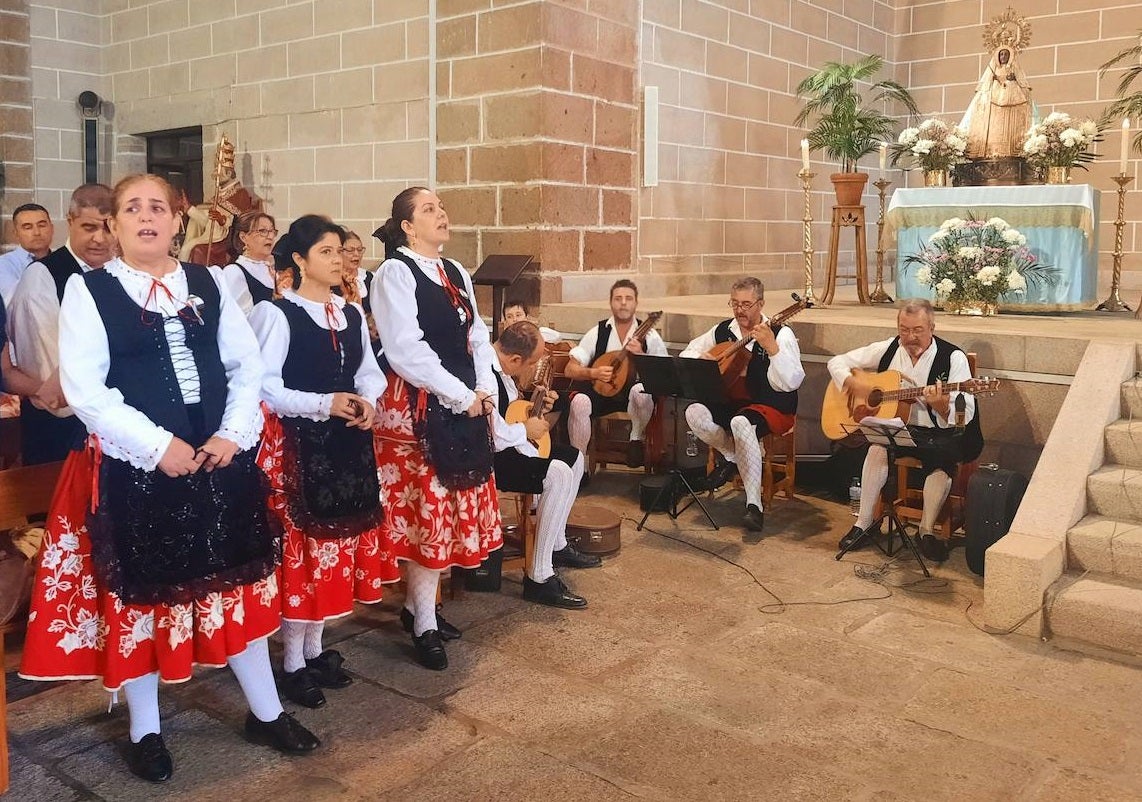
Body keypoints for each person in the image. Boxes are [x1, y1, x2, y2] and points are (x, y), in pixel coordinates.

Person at [19, 174, 319, 784]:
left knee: (234, 590)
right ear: (115, 224)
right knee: (146, 605)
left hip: (217, 465)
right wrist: (158, 447)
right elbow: (85, 388)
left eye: (158, 207)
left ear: (177, 221)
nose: (147, 217)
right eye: (133, 208)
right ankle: (145, 727)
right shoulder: (90, 290)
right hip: (141, 471)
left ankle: (265, 710)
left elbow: (245, 364)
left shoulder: (205, 283)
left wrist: (232, 434)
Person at [251, 214, 394, 710]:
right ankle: (291, 662)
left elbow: (368, 371)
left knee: (334, 549)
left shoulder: (350, 313)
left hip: (347, 443)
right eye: (328, 252)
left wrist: (368, 400)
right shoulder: (277, 314)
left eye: (341, 251)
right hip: (297, 448)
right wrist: (323, 402)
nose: (339, 260)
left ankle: (314, 650)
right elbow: (264, 386)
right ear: (299, 259)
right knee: (304, 556)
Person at [372, 187, 502, 671]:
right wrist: (460, 395)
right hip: (417, 410)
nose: (441, 214)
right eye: (429, 209)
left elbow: (478, 336)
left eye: (440, 207)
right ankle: (424, 621)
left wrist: (484, 388)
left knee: (446, 514)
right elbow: (406, 350)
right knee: (428, 518)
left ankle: (418, 610)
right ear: (407, 226)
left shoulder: (455, 270)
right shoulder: (394, 272)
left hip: (463, 401)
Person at [828, 299, 980, 562]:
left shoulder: (952, 357)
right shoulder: (888, 347)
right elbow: (836, 362)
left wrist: (941, 403)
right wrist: (854, 384)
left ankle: (926, 531)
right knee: (876, 446)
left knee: (942, 460)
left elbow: (963, 414)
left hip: (937, 434)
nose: (910, 337)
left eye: (918, 330)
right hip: (896, 429)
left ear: (932, 327)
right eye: (904, 329)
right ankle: (862, 524)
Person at [680, 277, 804, 534]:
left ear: (760, 304)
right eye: (734, 303)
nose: (739, 310)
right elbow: (687, 354)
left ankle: (753, 506)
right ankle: (733, 455)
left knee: (741, 422)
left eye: (746, 304)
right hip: (733, 401)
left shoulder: (781, 333)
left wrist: (771, 347)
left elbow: (792, 381)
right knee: (693, 412)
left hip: (771, 403)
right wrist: (703, 359)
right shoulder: (722, 330)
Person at [490, 321, 600, 608]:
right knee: (559, 474)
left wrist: (537, 406)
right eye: (534, 363)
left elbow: (511, 410)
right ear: (515, 359)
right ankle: (538, 578)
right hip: (488, 457)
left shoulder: (504, 368)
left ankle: (556, 544)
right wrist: (526, 430)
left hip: (510, 444)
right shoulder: (486, 375)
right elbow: (492, 432)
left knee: (572, 458)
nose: (536, 370)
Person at [7, 184, 116, 465]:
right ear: (70, 221)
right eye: (89, 227)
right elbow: (49, 378)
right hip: (64, 429)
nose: (99, 238)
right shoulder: (43, 276)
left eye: (108, 228)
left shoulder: (123, 272)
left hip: (120, 426)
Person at [563, 280, 666, 470]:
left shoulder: (649, 336)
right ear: (611, 303)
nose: (623, 303)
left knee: (640, 390)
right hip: (603, 393)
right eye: (618, 298)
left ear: (636, 303)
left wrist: (642, 356)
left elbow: (664, 372)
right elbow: (570, 369)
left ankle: (636, 439)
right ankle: (579, 466)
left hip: (633, 396)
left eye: (629, 298)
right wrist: (593, 372)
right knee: (579, 402)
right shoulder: (598, 332)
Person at [962, 47, 1035, 160]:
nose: (1003, 57)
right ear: (997, 56)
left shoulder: (1013, 68)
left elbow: (1023, 84)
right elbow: (984, 88)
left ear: (1010, 57)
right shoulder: (993, 69)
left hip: (1011, 101)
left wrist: (1013, 79)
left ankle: (1012, 149)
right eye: (1001, 54)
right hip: (993, 104)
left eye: (1006, 54)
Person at [219, 210, 279, 315]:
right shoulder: (234, 272)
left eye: (272, 231)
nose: (270, 237)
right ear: (243, 237)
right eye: (263, 231)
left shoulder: (273, 270)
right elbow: (239, 317)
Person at [0, 203, 54, 304]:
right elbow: (17, 301)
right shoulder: (4, 265)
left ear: (52, 229)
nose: (37, 232)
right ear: (16, 233)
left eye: (42, 225)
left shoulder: (62, 261)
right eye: (28, 227)